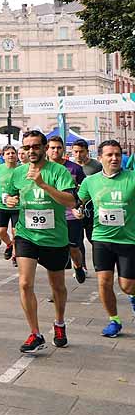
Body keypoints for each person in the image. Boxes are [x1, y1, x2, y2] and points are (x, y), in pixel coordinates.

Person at [0, 130, 78, 352]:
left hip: (54, 237)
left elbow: (71, 201)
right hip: (26, 235)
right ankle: (35, 334)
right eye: (27, 147)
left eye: (35, 146)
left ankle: (59, 323)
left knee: (58, 287)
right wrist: (10, 199)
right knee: (24, 283)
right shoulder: (18, 173)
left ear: (44, 148)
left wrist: (43, 184)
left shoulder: (59, 171)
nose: (31, 151)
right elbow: (7, 195)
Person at [75, 140, 135, 337]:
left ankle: (133, 296)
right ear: (100, 158)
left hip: (128, 240)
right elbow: (78, 201)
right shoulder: (90, 181)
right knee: (104, 282)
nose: (114, 158)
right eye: (109, 155)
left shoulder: (132, 178)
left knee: (126, 285)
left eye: (117, 154)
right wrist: (78, 210)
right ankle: (114, 321)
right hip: (101, 238)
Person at [47, 135, 89, 284]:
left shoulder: (75, 168)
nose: (55, 150)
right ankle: (57, 288)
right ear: (47, 149)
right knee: (55, 253)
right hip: (50, 216)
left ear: (63, 149)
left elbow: (85, 191)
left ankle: (78, 266)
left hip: (70, 215)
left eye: (59, 148)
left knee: (73, 248)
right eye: (52, 148)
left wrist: (80, 207)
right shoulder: (41, 169)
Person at [0, 145, 22, 266]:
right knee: (0, 231)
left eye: (13, 153)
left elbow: (27, 186)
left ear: (16, 155)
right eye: (8, 153)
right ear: (3, 156)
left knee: (16, 231)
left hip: (17, 206)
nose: (11, 155)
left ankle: (15, 256)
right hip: (1, 205)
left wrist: (18, 196)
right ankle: (9, 244)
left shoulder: (22, 169)